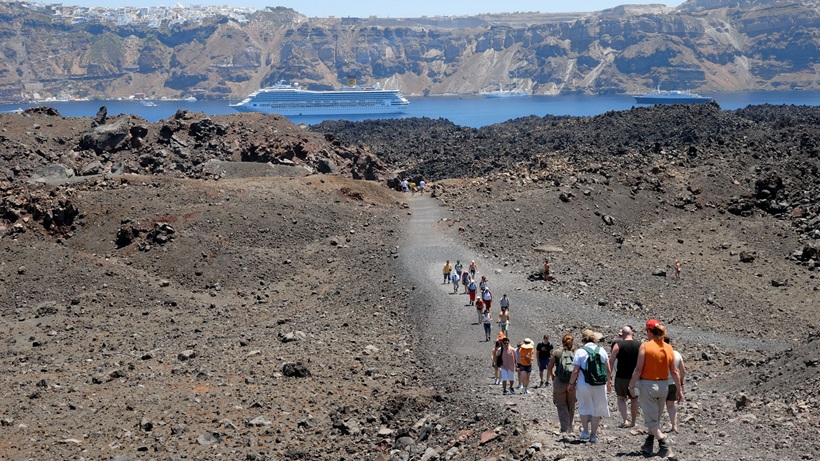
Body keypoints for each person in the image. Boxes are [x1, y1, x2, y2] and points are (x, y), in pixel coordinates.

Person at [628, 319, 683, 458]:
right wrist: (679, 389)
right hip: (664, 386)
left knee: (651, 421)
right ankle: (648, 444)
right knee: (655, 419)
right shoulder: (669, 348)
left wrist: (631, 385)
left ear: (649, 331)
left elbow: (639, 368)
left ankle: (665, 446)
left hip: (648, 386)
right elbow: (675, 371)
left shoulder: (645, 346)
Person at [567, 329, 611, 444]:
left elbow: (576, 371)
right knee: (597, 409)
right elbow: (608, 369)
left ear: (583, 339)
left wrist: (571, 384)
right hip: (600, 385)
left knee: (584, 406)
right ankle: (593, 435)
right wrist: (608, 382)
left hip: (584, 384)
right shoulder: (601, 350)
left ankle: (585, 431)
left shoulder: (580, 352)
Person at [609, 325, 641, 428]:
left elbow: (611, 361)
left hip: (621, 377)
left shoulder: (618, 345)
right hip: (635, 377)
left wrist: (608, 377)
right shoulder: (640, 345)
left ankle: (625, 420)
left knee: (620, 398)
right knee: (634, 399)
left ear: (622, 334)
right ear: (632, 333)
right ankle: (633, 422)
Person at [547, 334, 577, 436]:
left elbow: (549, 367)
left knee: (561, 405)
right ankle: (571, 427)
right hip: (572, 383)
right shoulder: (575, 353)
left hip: (559, 381)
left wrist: (552, 375)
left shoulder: (557, 352)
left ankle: (564, 428)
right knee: (571, 405)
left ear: (562, 342)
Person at [664, 337, 685, 433]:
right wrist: (681, 382)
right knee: (671, 406)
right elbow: (683, 371)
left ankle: (655, 427)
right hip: (673, 383)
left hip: (661, 383)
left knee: (657, 406)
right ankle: (674, 426)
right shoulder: (677, 354)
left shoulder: (660, 354)